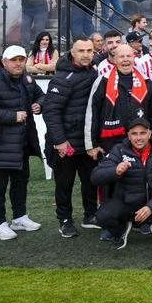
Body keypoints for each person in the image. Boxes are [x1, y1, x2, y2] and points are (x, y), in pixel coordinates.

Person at [92, 118, 152, 249]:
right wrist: (115, 171)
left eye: (142, 133)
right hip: (127, 204)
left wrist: (151, 206)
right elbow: (95, 177)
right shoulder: (119, 150)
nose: (138, 138)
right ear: (128, 135)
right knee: (102, 216)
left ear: (150, 134)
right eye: (134, 134)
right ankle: (121, 231)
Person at [43, 36, 99, 238]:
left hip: (86, 141)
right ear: (72, 53)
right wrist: (59, 141)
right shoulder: (62, 78)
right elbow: (51, 111)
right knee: (64, 184)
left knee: (90, 181)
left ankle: (90, 215)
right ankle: (64, 220)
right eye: (81, 51)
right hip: (66, 143)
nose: (86, 55)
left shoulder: (94, 71)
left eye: (89, 51)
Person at [0, 45, 44, 241]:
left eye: (21, 60)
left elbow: (42, 95)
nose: (18, 63)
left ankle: (19, 217)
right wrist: (12, 116)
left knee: (20, 182)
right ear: (4, 62)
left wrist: (40, 104)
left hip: (22, 143)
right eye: (13, 60)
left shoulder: (27, 79)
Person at [85, 44, 152, 158]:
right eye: (121, 56)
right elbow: (92, 113)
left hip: (140, 142)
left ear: (134, 58)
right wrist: (92, 145)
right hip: (110, 144)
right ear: (114, 59)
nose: (125, 60)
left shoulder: (147, 82)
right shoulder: (103, 81)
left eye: (128, 56)